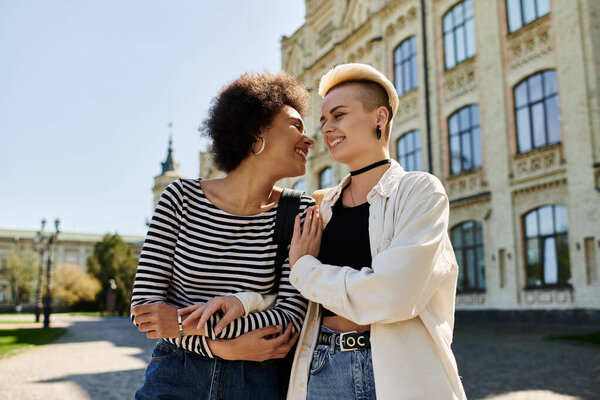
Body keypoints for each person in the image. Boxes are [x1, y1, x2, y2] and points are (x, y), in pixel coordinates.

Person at [130, 71, 318, 400]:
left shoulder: (299, 210)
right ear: (257, 130)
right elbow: (146, 312)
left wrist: (179, 322)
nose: (309, 138)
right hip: (175, 376)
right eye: (296, 126)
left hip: (255, 384)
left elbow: (287, 323)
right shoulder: (180, 198)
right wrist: (223, 348)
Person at [284, 63, 467, 399]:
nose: (326, 129)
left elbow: (394, 294)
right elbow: (284, 292)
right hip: (324, 369)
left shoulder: (419, 192)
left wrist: (305, 270)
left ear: (379, 118)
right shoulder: (321, 207)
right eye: (323, 120)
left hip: (400, 373)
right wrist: (240, 301)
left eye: (338, 115)